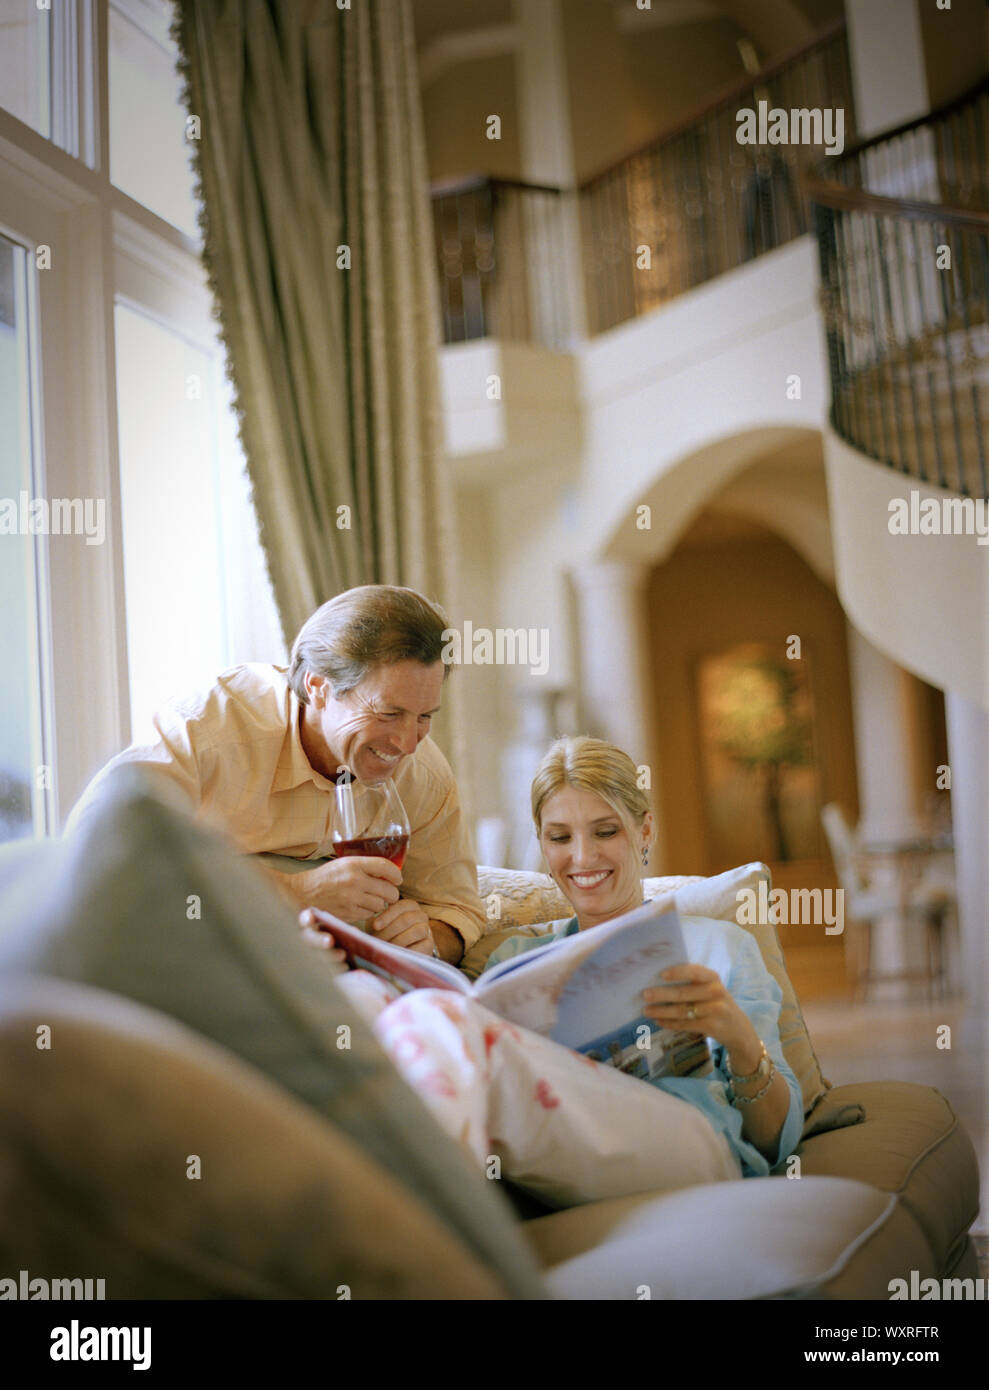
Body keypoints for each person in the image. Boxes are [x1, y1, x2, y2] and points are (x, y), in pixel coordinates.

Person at [313, 735, 804, 1204]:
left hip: (689, 1142)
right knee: (370, 997)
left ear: (645, 830)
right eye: (560, 837)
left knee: (450, 1023)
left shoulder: (718, 945)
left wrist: (739, 1039)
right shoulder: (514, 959)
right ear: (543, 846)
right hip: (555, 1144)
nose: (583, 857)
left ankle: (428, 1215)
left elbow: (774, 1143)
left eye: (605, 831)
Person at [67, 586, 484, 964]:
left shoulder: (423, 773)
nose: (408, 744)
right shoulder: (211, 731)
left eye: (424, 717)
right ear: (319, 686)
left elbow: (457, 910)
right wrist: (296, 893)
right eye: (388, 713)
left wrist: (426, 938)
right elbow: (95, 848)